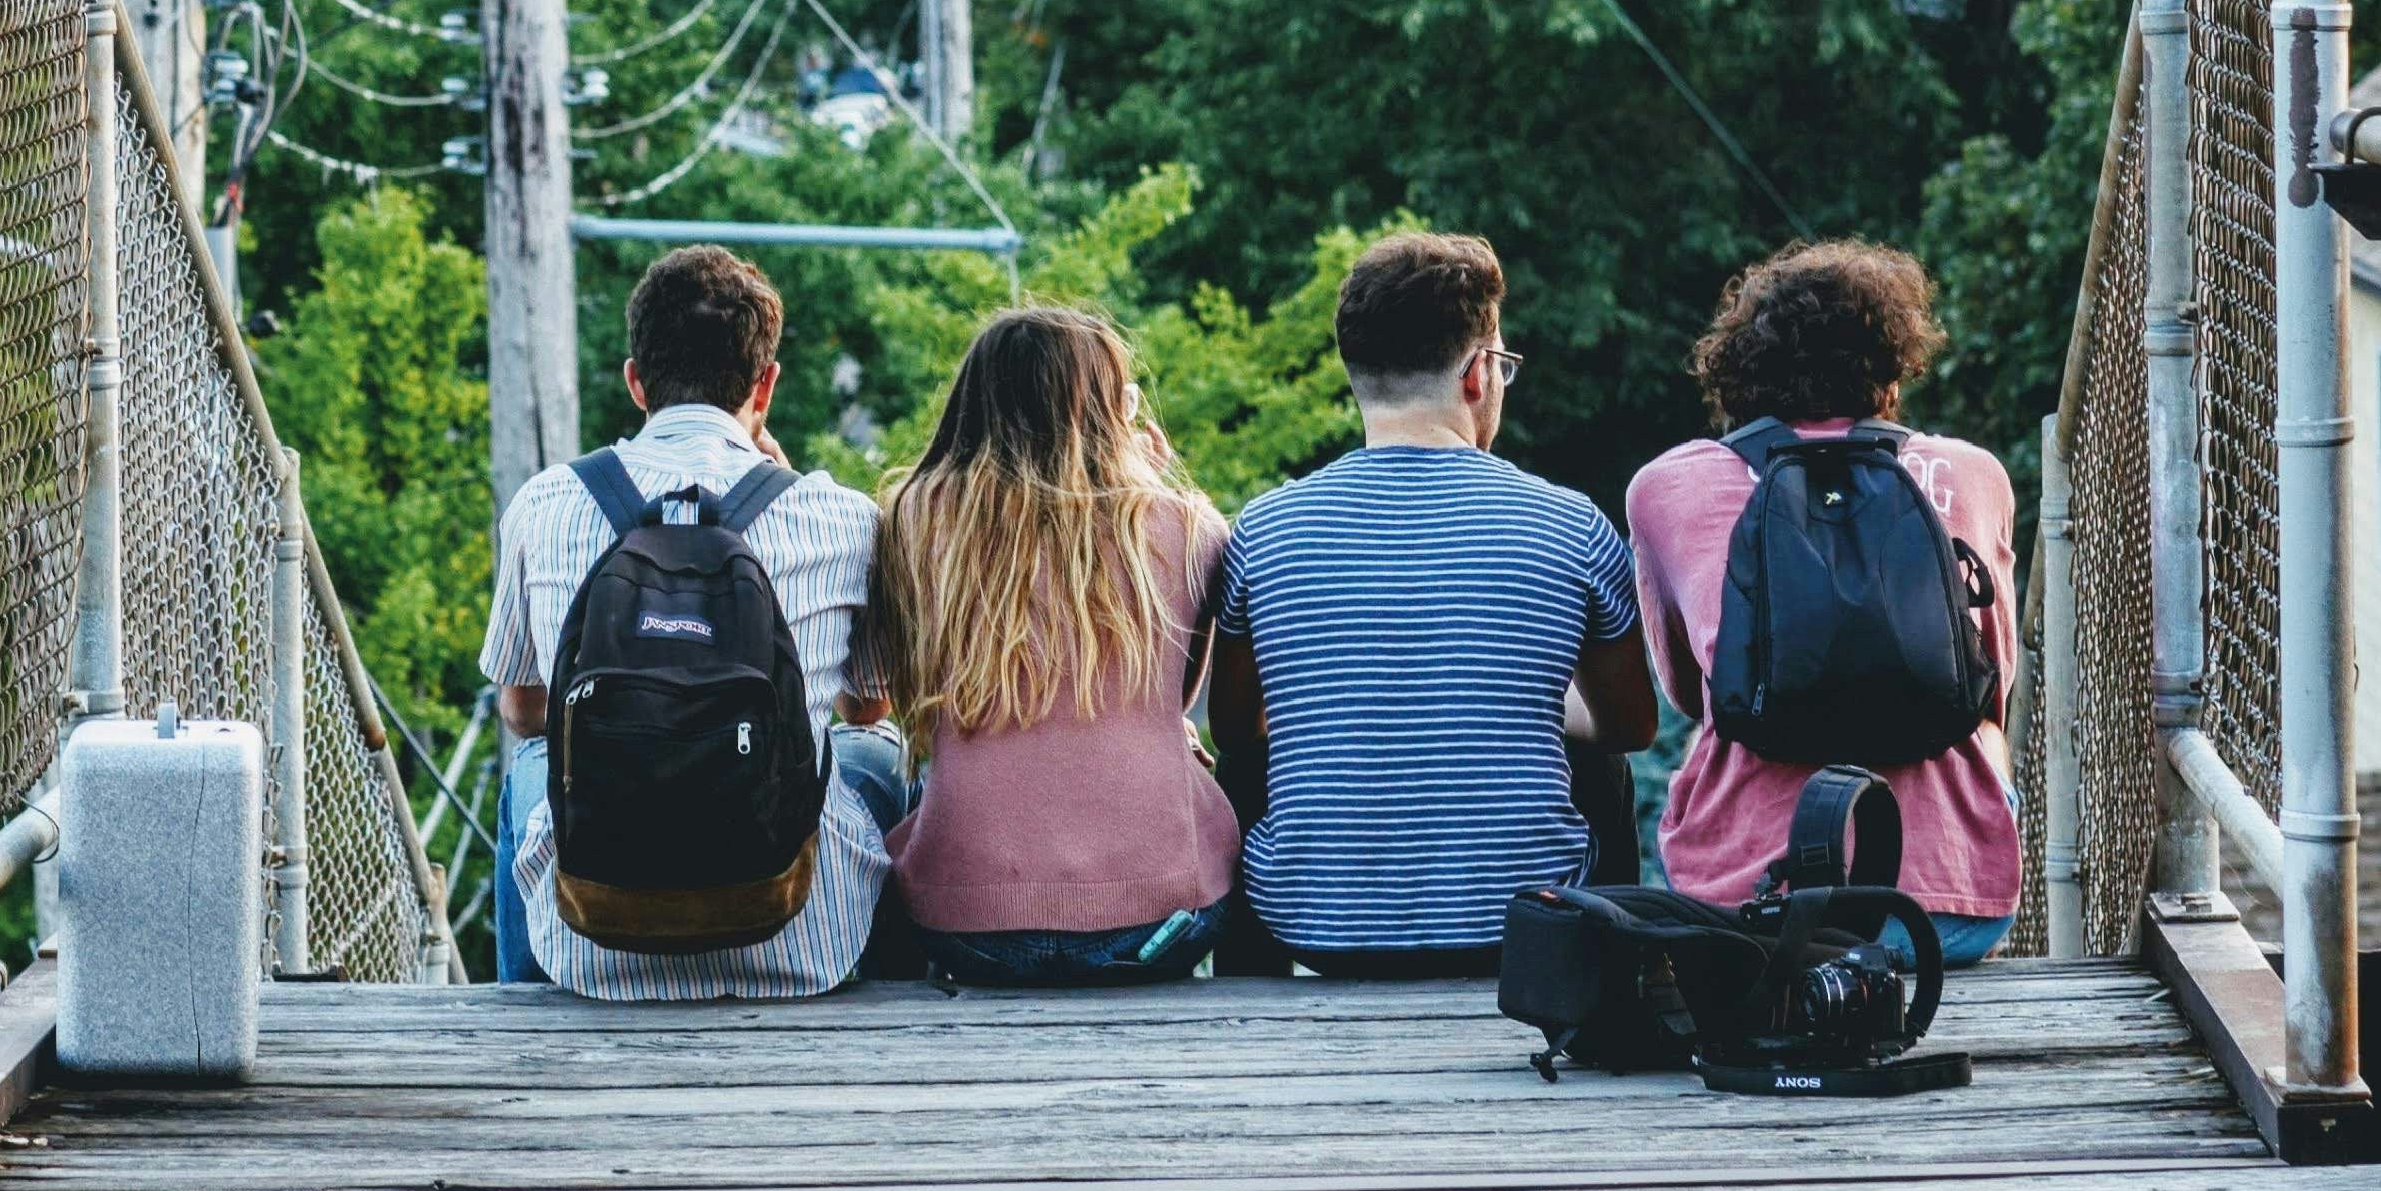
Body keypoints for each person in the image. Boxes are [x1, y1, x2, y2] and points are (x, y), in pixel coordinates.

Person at [1212, 231, 1656, 979]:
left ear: (1354, 371)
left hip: (1311, 930)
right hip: (1521, 927)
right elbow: (1632, 726)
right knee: (1599, 763)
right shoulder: (1571, 524)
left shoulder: (1264, 528)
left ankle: (1249, 986)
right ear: (1479, 372)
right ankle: (1605, 975)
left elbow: (1233, 730)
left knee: (1253, 761)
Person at [482, 245, 901, 999]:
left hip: (594, 944)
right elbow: (864, 707)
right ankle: (889, 990)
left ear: (635, 381)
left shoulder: (543, 504)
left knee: (529, 771)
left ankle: (527, 998)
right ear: (764, 385)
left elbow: (523, 711)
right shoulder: (842, 517)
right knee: (877, 754)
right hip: (795, 937)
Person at [1624, 240, 2028, 963]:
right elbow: (1989, 684)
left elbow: (1690, 694)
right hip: (1947, 919)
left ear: (1737, 371)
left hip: (1751, 913)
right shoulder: (1972, 474)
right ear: (1892, 371)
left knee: (1714, 725)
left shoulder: (1667, 486)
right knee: (1987, 740)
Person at [871, 307, 1239, 987]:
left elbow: (890, 692)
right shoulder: (1187, 526)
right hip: (1158, 928)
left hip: (966, 933)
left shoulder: (910, 520)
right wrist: (1148, 488)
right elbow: (1174, 697)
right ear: (1109, 412)